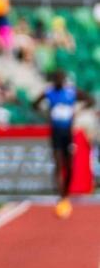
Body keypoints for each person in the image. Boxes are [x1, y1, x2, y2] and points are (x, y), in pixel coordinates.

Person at [33, 69, 94, 218]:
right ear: (54, 80)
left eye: (61, 78)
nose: (59, 81)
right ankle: (61, 196)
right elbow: (34, 104)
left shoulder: (71, 92)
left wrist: (78, 109)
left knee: (69, 165)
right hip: (56, 132)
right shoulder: (49, 92)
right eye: (56, 78)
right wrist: (45, 113)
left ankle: (65, 192)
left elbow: (91, 100)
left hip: (68, 132)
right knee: (58, 162)